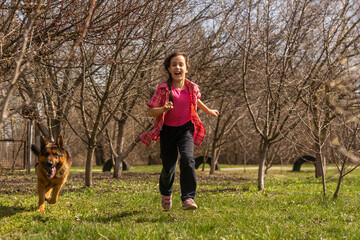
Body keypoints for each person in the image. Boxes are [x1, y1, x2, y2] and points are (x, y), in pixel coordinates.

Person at [139, 52, 219, 211]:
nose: (177, 67)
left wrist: (209, 110)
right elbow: (150, 112)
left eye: (181, 64)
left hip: (186, 129)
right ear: (168, 69)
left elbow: (196, 100)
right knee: (169, 167)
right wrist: (163, 108)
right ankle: (166, 193)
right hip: (167, 131)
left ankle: (188, 198)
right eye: (174, 64)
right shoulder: (163, 89)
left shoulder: (192, 87)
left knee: (188, 159)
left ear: (186, 68)